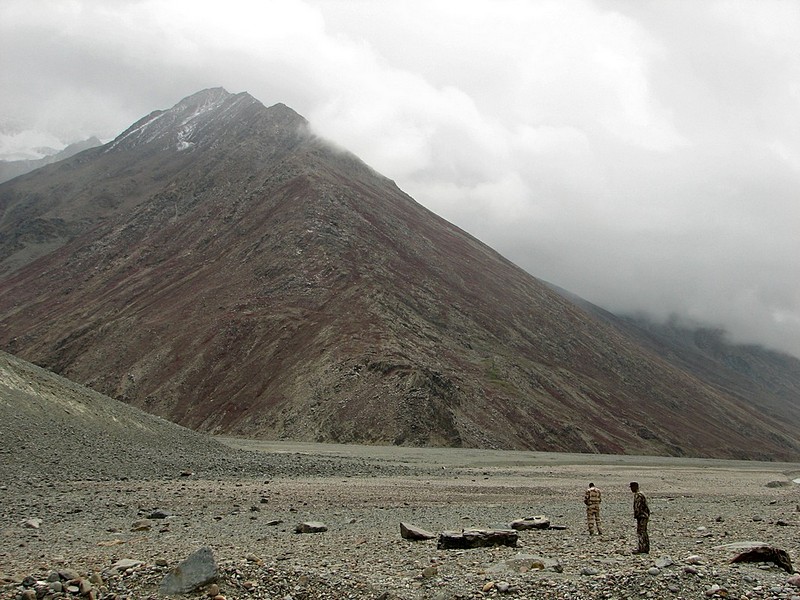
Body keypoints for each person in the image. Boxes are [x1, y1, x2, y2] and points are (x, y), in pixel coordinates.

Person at [630, 481, 650, 553]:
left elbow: (637, 507)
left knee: (641, 532)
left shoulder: (638, 495)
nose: (631, 489)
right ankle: (646, 548)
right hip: (644, 515)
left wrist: (636, 515)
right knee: (644, 532)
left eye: (632, 487)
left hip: (641, 516)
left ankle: (641, 548)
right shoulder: (641, 494)